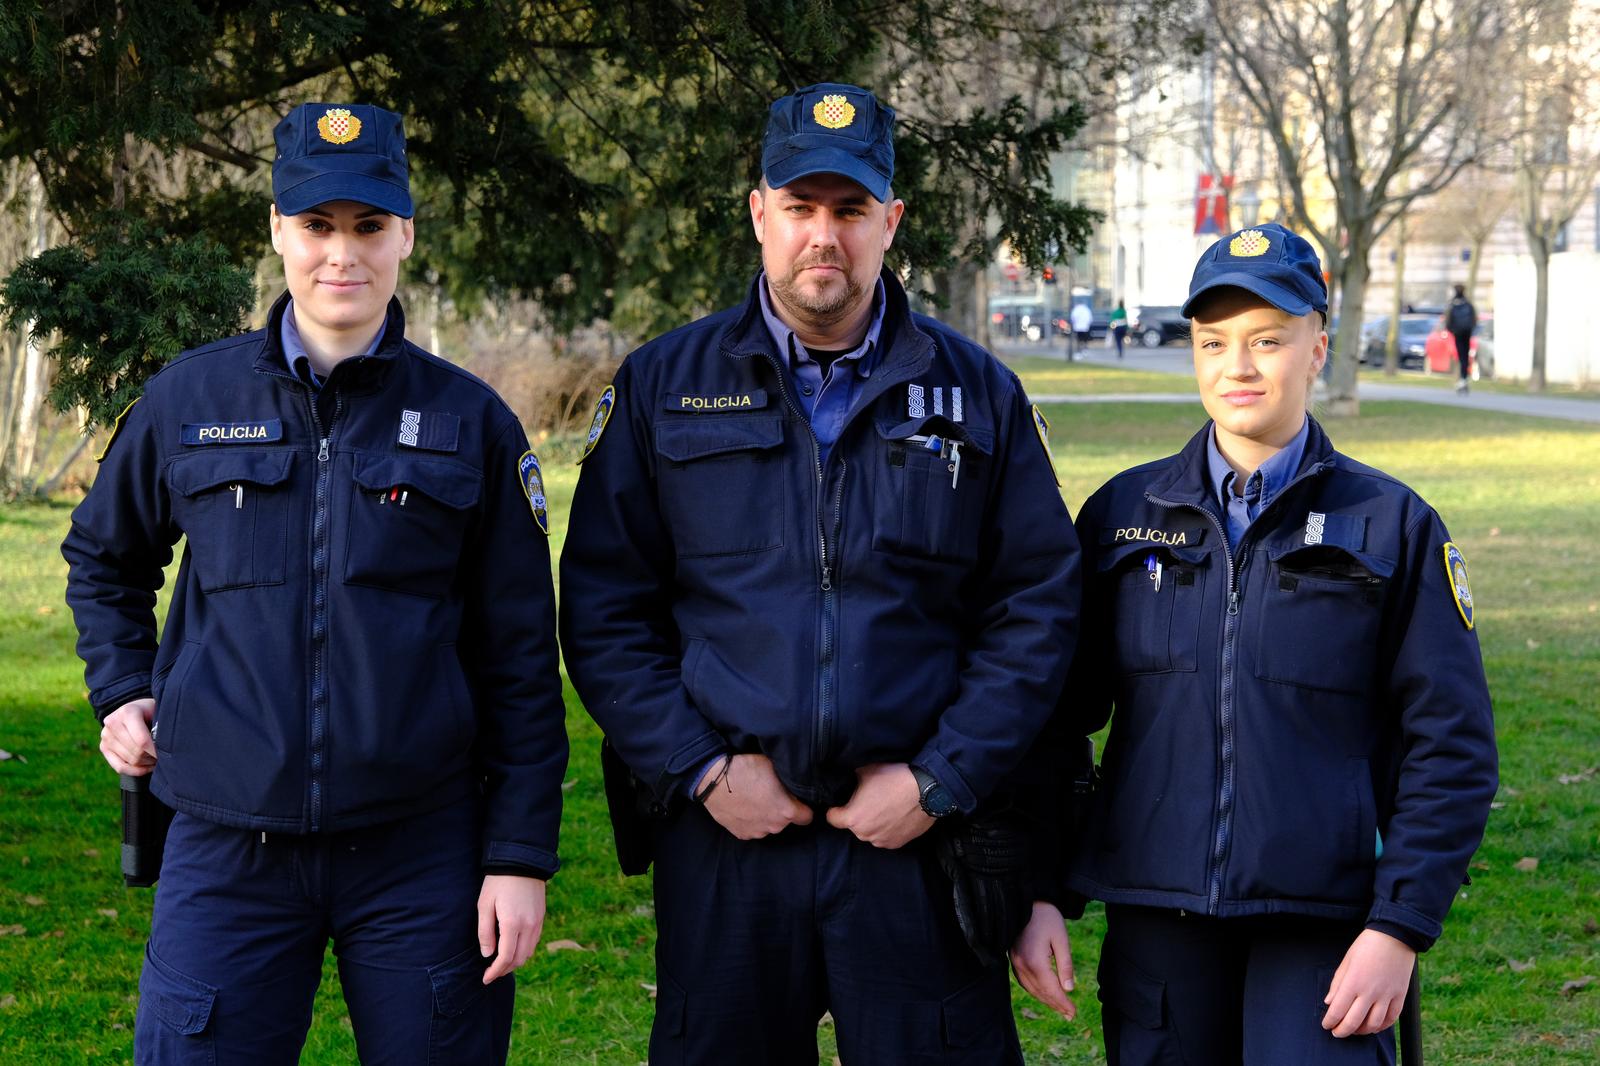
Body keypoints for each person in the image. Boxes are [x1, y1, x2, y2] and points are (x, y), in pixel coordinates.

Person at [559, 82, 1083, 1063]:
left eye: (849, 210)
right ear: (760, 212)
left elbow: (1035, 612)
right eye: (800, 207)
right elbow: (603, 607)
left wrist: (941, 778)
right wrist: (701, 769)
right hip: (730, 838)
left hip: (917, 841)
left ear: (890, 220)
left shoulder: (978, 397)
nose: (824, 237)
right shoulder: (664, 387)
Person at [62, 102, 569, 1063]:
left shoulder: (472, 422)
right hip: (223, 845)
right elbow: (104, 558)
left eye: (369, 226)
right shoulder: (189, 399)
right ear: (278, 232)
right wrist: (122, 688)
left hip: (421, 851)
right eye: (317, 226)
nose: (343, 255)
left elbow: (517, 659)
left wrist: (517, 857)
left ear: (406, 233)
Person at [1019, 223, 1497, 1064]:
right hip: (1156, 916)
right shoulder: (1123, 518)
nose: (1238, 367)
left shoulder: (1393, 526)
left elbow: (1450, 744)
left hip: (1325, 927)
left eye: (1267, 340)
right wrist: (1041, 891)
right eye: (1214, 342)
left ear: (1318, 344)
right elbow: (1054, 718)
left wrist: (1400, 926)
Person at [1444, 284, 1477, 394]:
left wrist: (1452, 330)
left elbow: (1447, 320)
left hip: (1457, 333)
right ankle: (1464, 378)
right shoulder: (1468, 304)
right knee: (1465, 356)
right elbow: (1474, 319)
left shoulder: (1452, 304)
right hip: (1466, 333)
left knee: (1460, 355)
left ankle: (1462, 379)